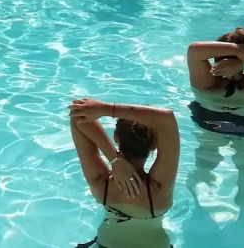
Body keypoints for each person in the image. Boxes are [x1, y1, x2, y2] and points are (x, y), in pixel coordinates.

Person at [186, 28, 244, 209]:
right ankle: (243, 191)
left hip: (211, 122)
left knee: (207, 155)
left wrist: (240, 60)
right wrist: (240, 55)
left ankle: (200, 191)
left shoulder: (208, 83)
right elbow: (193, 49)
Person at [69, 98, 179, 248]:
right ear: (154, 145)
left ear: (115, 136)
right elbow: (167, 118)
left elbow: (77, 114)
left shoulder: (101, 183)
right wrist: (107, 109)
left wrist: (114, 159)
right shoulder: (159, 189)